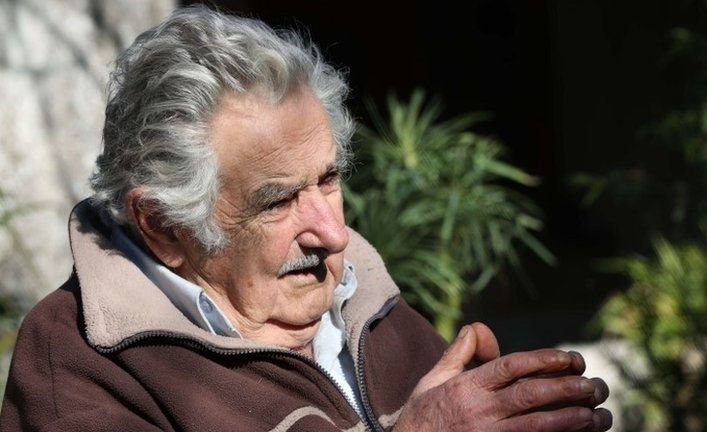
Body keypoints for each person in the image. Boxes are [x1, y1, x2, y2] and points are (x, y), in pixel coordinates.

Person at [0, 6, 611, 431]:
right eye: (277, 201)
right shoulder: (79, 364)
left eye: (329, 179)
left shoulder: (365, 303)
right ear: (163, 225)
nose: (333, 232)